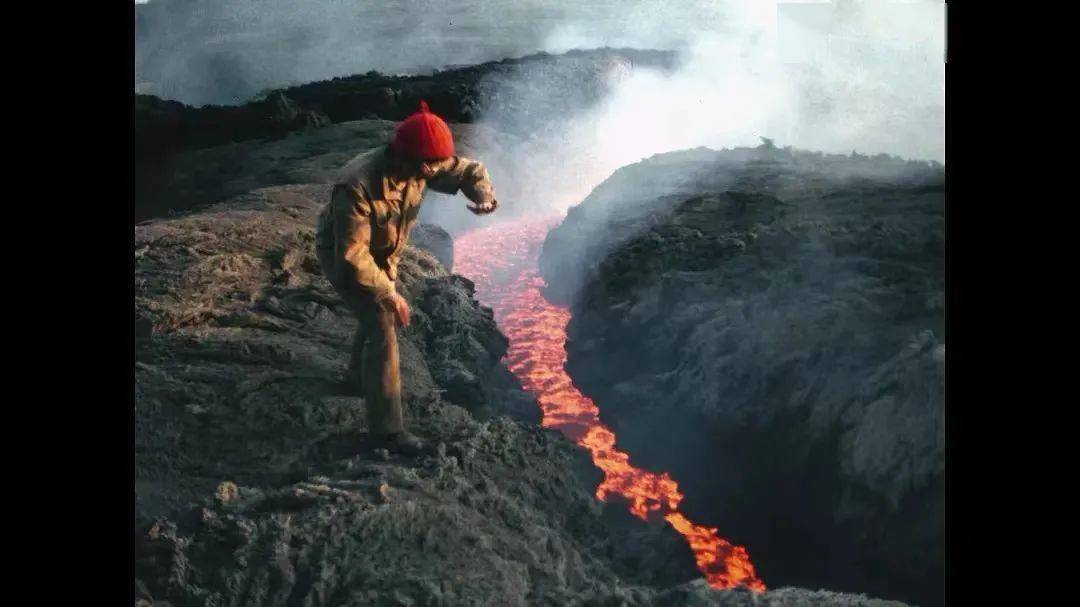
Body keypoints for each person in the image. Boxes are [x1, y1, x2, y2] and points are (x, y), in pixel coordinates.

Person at [315, 100, 499, 455]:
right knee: (383, 321)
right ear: (403, 156)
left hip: (385, 252)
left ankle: (357, 379)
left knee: (373, 316)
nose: (433, 171)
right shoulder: (357, 185)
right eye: (426, 165)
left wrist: (484, 197)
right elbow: (353, 257)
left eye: (435, 164)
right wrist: (391, 294)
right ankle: (387, 431)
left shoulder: (422, 164)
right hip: (345, 252)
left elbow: (469, 171)